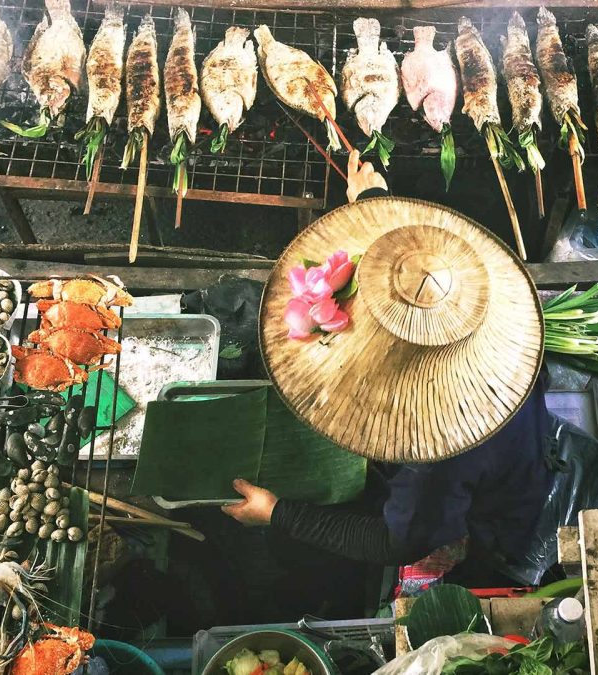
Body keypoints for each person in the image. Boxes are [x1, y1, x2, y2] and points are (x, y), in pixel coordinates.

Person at [223, 154, 556, 586]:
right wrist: (374, 201)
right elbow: (417, 278)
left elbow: (392, 542)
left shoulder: (432, 452)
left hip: (499, 511)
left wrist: (277, 513)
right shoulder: (473, 295)